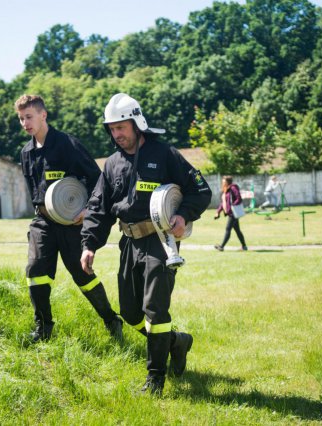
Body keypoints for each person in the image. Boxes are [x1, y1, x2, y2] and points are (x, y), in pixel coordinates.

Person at [80, 93, 212, 396]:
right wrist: (89, 245)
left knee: (155, 310)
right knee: (131, 314)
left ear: (137, 122)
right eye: (111, 129)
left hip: (160, 241)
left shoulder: (164, 154)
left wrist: (182, 214)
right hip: (128, 243)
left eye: (121, 127)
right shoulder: (112, 164)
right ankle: (178, 342)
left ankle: (155, 380)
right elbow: (99, 207)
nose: (117, 134)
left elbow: (200, 190)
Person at [15, 94, 122, 343]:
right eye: (21, 119)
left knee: (82, 274)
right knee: (35, 270)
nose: (25, 123)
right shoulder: (26, 152)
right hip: (42, 221)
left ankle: (111, 319)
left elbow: (98, 179)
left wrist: (87, 208)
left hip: (71, 221)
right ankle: (43, 327)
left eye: (29, 117)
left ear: (43, 114)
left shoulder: (67, 144)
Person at [214, 175, 247, 251]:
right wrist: (218, 212)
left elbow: (238, 198)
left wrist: (232, 206)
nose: (222, 183)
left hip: (233, 213)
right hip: (231, 213)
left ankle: (221, 247)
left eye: (224, 181)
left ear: (227, 182)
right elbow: (224, 203)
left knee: (228, 229)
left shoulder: (233, 187)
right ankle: (244, 246)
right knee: (237, 230)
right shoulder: (226, 190)